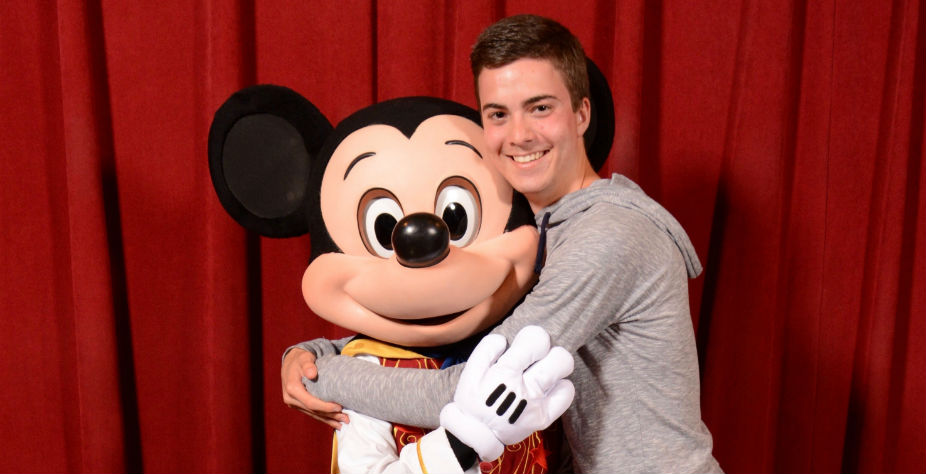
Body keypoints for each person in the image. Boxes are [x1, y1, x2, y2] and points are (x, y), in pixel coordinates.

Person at [283, 14, 722, 473]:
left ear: (582, 114)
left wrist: (324, 375)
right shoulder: (541, 228)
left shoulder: (609, 236)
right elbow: (456, 327)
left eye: (540, 108)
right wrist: (313, 352)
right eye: (498, 114)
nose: (519, 135)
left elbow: (469, 391)